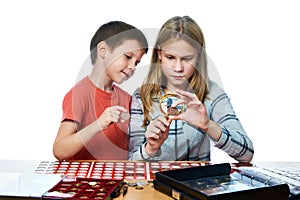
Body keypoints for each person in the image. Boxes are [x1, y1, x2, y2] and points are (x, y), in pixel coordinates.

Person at [129, 16, 254, 162]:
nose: (178, 68)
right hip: (153, 183)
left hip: (197, 183)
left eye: (187, 59)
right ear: (159, 54)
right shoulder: (141, 97)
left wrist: (208, 125)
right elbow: (131, 163)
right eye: (170, 57)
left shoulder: (211, 93)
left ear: (199, 57)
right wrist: (150, 147)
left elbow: (247, 154)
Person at [53, 21, 148, 161]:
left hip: (119, 180)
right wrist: (99, 124)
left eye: (137, 62)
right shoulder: (80, 94)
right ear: (103, 50)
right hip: (86, 181)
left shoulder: (128, 99)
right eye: (128, 57)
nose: (133, 66)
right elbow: (60, 150)